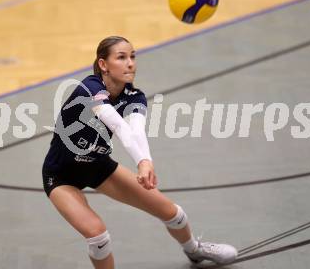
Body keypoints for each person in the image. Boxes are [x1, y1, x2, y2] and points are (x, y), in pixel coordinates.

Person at [42, 36, 238, 269]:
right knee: (99, 237)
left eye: (133, 56)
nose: (130, 63)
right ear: (103, 64)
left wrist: (146, 161)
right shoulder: (89, 88)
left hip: (97, 167)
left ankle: (194, 250)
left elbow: (136, 129)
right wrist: (142, 161)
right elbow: (117, 124)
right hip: (61, 175)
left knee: (174, 213)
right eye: (122, 57)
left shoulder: (134, 96)